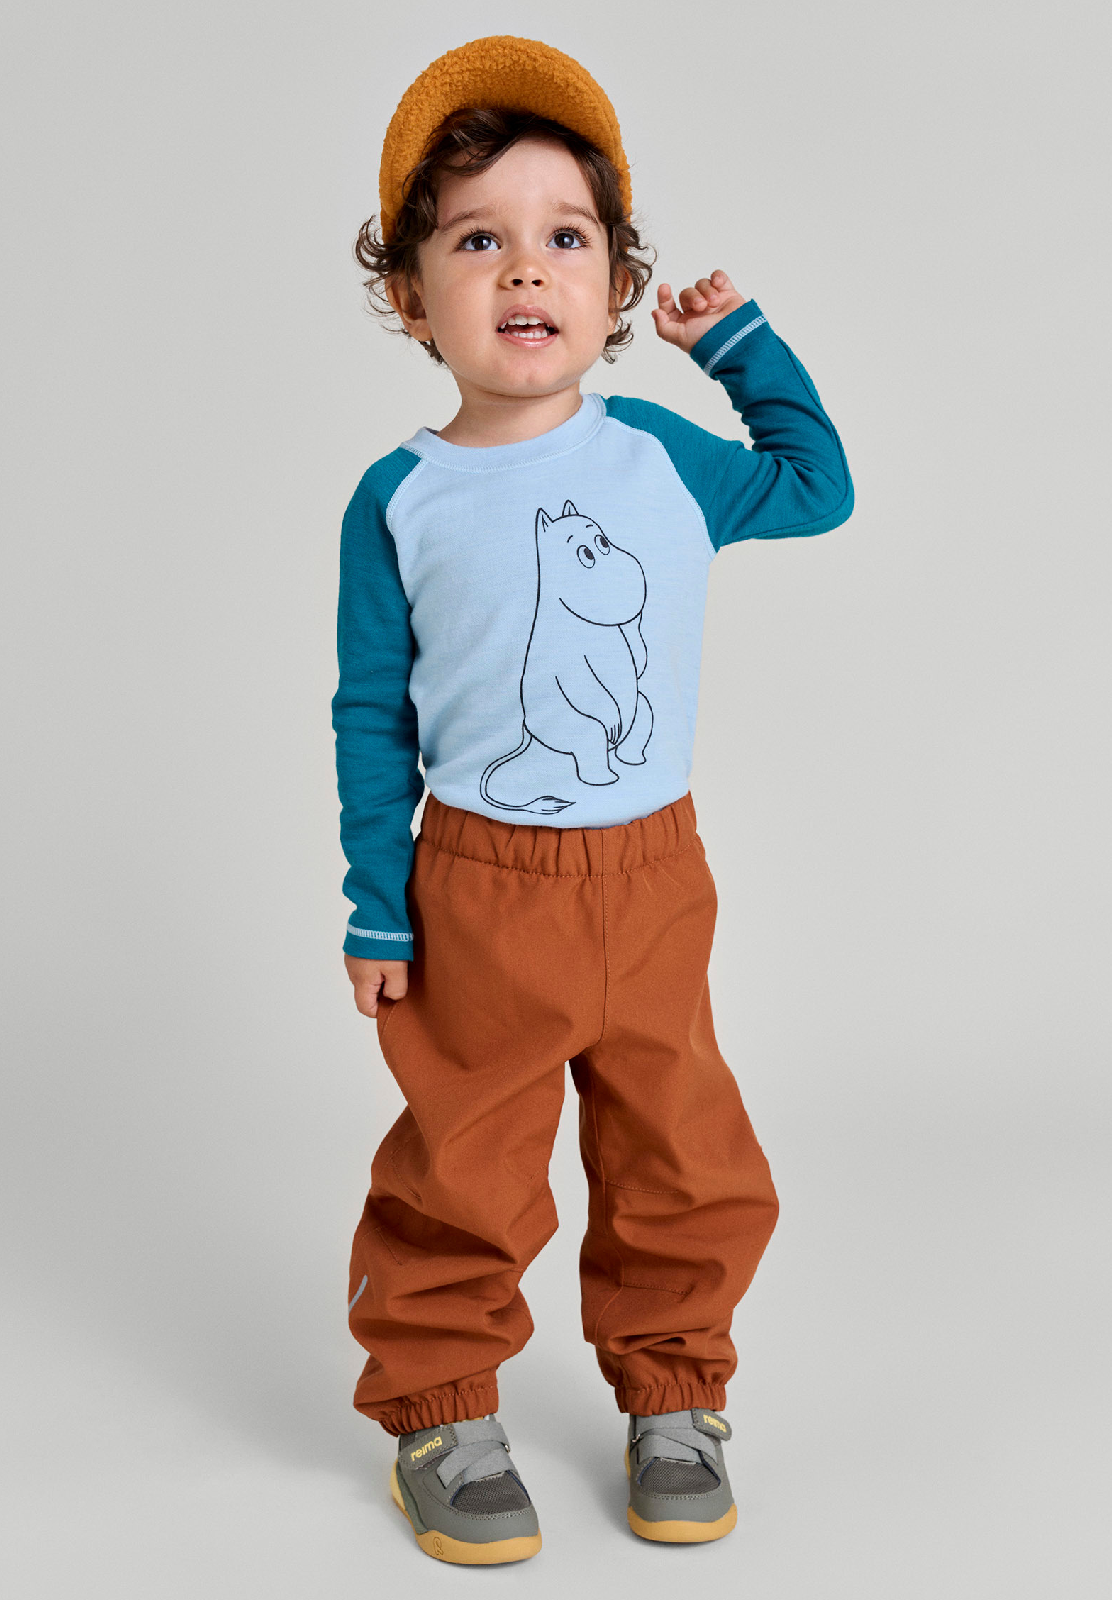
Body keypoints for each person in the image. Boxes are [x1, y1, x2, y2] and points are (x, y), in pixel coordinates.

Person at [332, 34, 854, 1566]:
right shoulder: (400, 497)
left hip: (653, 880)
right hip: (477, 887)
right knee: (466, 1158)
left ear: (617, 284)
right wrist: (377, 904)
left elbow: (816, 485)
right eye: (474, 241)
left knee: (681, 1150)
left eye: (566, 237)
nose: (524, 270)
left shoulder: (660, 462)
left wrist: (737, 342)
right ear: (411, 296)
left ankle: (677, 1394)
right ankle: (440, 1409)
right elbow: (371, 717)